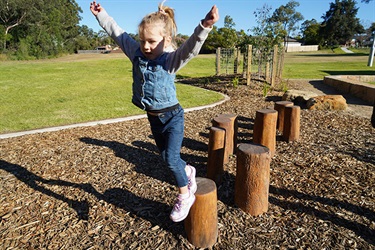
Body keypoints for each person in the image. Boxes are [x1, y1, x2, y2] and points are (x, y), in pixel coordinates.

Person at [90, 1, 219, 222]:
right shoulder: (137, 54)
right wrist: (101, 15)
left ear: (166, 40)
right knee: (168, 158)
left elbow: (190, 48)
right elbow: (118, 34)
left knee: (170, 159)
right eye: (142, 41)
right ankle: (188, 172)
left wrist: (205, 26)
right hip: (154, 119)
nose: (146, 46)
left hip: (173, 117)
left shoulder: (170, 60)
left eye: (151, 41)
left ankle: (185, 196)